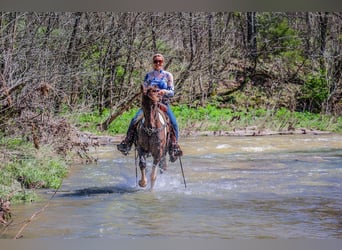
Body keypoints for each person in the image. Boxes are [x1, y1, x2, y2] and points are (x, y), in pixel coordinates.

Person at [117, 53, 182, 162]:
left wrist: (163, 91)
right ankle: (127, 143)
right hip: (149, 105)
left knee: (174, 123)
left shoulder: (168, 75)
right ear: (153, 63)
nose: (158, 63)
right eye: (156, 61)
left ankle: (174, 146)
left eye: (160, 61)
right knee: (134, 120)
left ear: (163, 62)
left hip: (163, 104)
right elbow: (144, 90)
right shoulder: (149, 75)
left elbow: (172, 91)